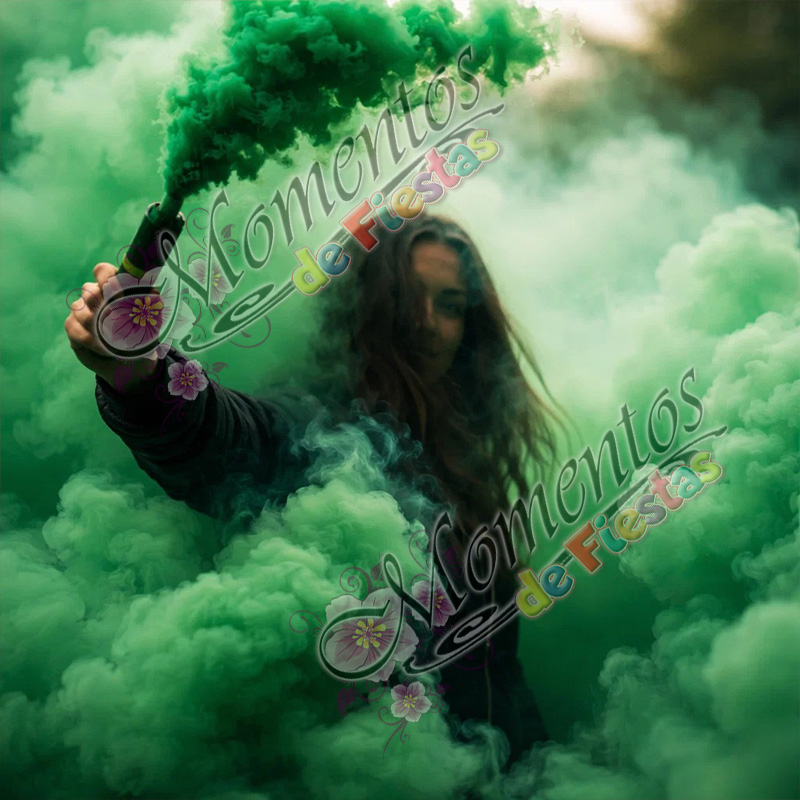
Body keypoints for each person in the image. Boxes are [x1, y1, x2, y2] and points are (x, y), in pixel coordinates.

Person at [64, 211, 559, 771]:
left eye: (450, 305)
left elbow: (500, 679)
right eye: (405, 297)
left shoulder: (469, 472)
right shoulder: (318, 424)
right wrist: (145, 378)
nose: (427, 323)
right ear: (360, 306)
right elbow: (232, 437)